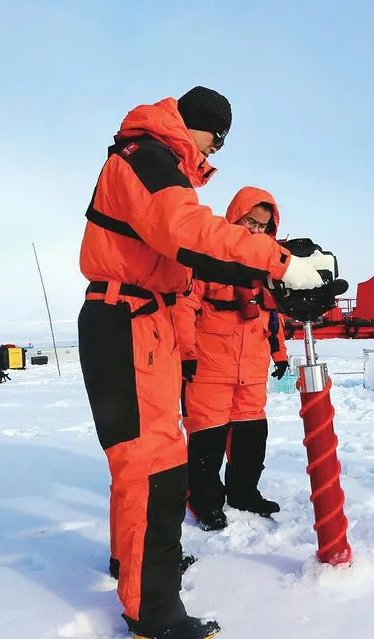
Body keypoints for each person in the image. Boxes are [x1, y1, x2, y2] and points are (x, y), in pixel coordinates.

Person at [78, 86, 325, 639]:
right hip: (131, 321)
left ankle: (136, 568)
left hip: (140, 320)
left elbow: (191, 256)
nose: (214, 152)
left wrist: (268, 276)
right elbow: (187, 233)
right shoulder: (147, 157)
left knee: (140, 464)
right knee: (156, 469)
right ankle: (154, 613)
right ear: (198, 126)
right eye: (216, 138)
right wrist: (281, 263)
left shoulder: (150, 158)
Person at [174, 187, 291, 531]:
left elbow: (273, 317)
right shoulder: (208, 260)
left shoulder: (266, 270)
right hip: (209, 367)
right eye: (249, 221)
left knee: (252, 437)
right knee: (206, 440)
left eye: (262, 226)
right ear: (233, 218)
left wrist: (280, 354)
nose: (255, 230)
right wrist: (186, 354)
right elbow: (184, 307)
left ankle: (243, 493)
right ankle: (206, 503)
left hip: (252, 371)